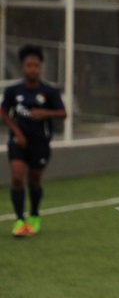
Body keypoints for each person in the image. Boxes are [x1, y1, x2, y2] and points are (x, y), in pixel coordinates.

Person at [1, 45, 67, 237]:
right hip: (18, 141)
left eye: (36, 66)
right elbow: (4, 113)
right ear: (23, 67)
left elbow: (63, 113)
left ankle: (35, 215)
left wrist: (46, 112)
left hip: (40, 142)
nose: (33, 69)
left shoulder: (50, 91)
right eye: (29, 65)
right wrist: (17, 133)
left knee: (34, 181)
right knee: (16, 177)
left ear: (40, 68)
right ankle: (20, 220)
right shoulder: (13, 90)